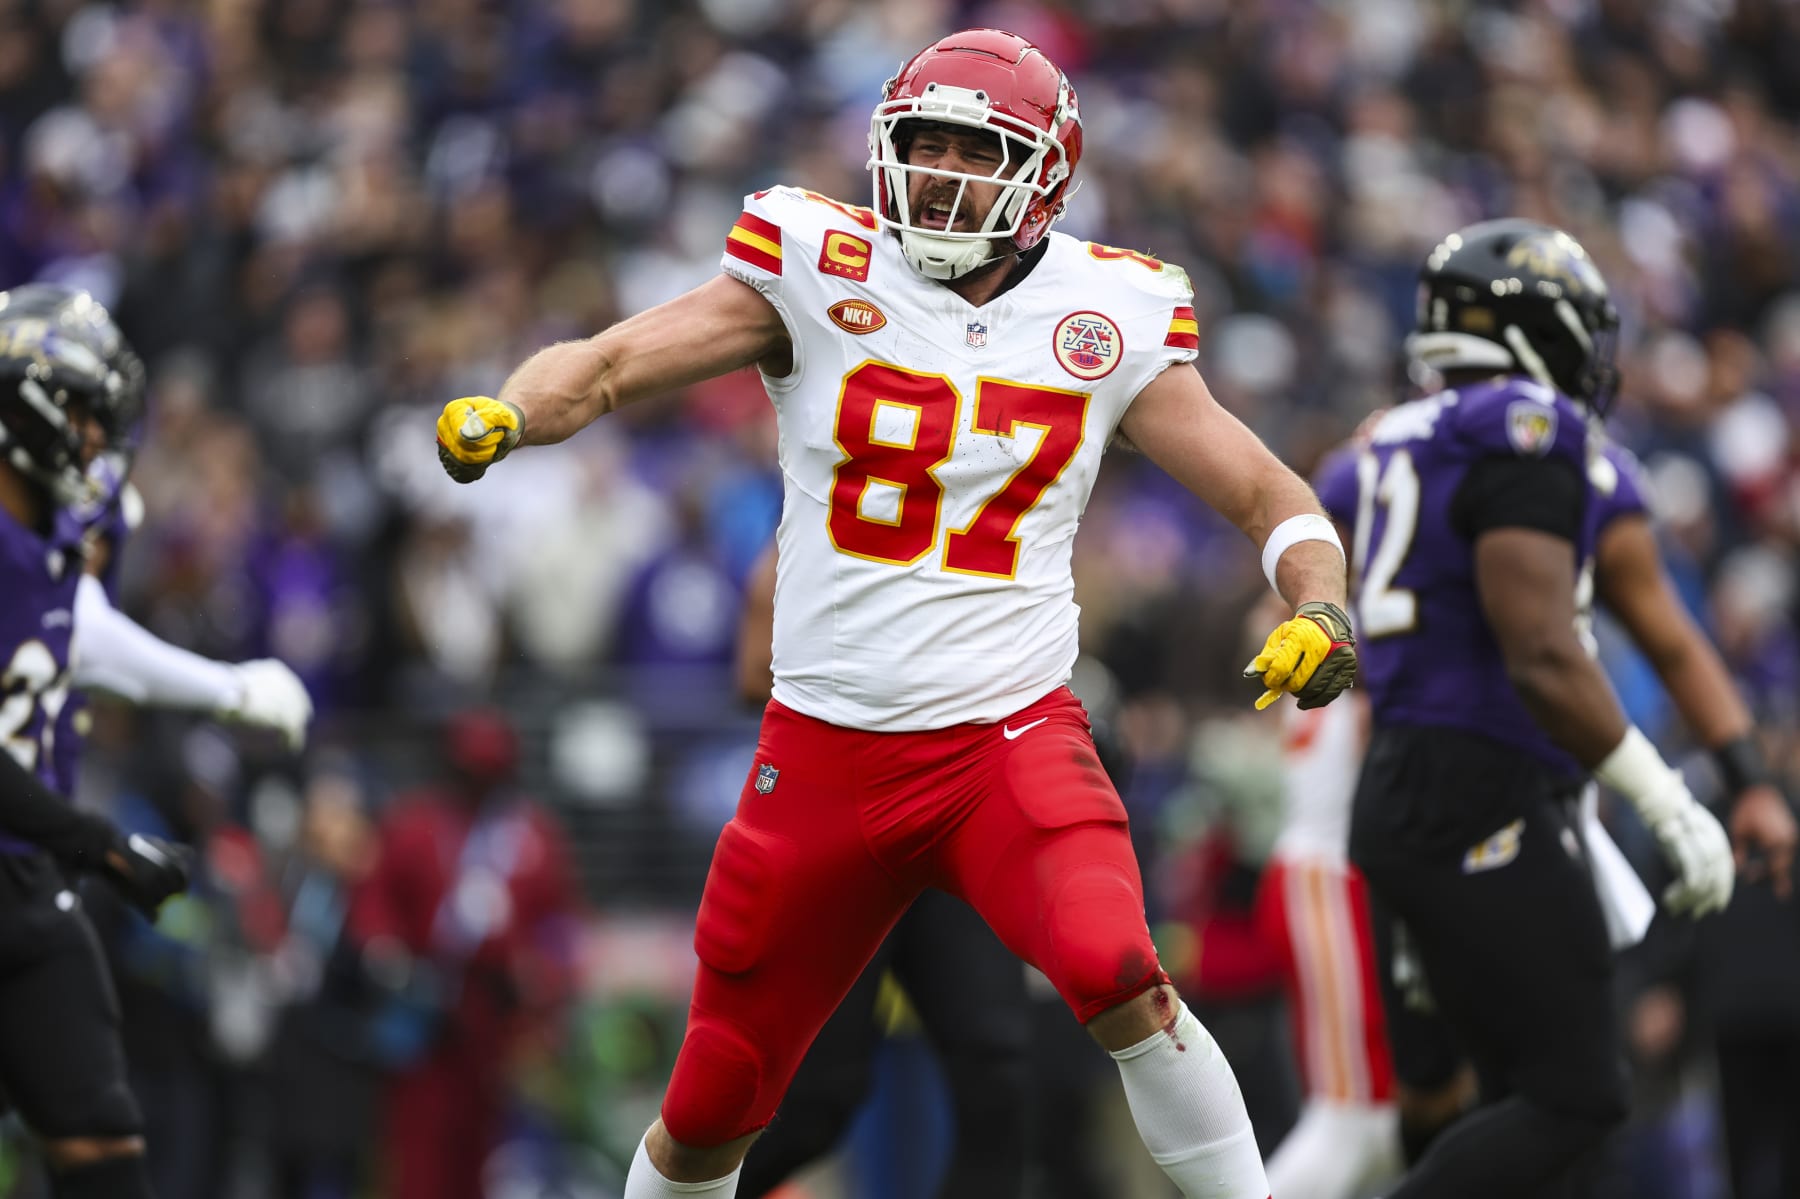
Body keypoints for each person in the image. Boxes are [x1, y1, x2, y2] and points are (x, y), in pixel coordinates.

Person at [435, 28, 1356, 1199]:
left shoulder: (1108, 311)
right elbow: (614, 361)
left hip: (1004, 738)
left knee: (1118, 965)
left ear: (1044, 177)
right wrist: (513, 413)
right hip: (823, 748)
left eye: (973, 154)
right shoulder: (818, 264)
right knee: (716, 1095)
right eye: (920, 145)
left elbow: (1268, 491)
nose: (935, 175)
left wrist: (1320, 606)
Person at [1311, 218, 1781, 1198]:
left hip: (1392, 782)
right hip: (1492, 787)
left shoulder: (1372, 449)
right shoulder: (1538, 435)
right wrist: (1682, 794)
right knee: (1576, 1098)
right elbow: (1556, 650)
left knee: (1463, 1094)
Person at [732, 542, 1030, 1198]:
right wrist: (890, 683)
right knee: (817, 1097)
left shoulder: (977, 531)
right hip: (846, 831)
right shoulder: (817, 535)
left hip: (953, 827)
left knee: (1001, 1071)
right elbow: (755, 671)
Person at [0, 294, 195, 1199]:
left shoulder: (53, 532)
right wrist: (105, 843)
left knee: (104, 1143)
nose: (94, 446)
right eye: (84, 418)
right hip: (44, 848)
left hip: (30, 882)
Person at [348, 707, 585, 1199]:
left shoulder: (531, 837)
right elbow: (376, 903)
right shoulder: (415, 826)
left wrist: (546, 983)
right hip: (428, 1017)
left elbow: (560, 927)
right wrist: (386, 955)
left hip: (501, 1022)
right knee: (420, 1160)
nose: (479, 784)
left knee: (495, 1160)